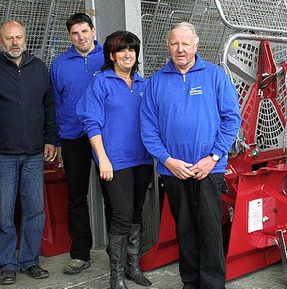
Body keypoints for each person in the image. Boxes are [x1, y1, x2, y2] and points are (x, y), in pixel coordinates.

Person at [140, 22, 241, 289]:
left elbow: (231, 120)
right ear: (168, 46)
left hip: (209, 169)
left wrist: (214, 157)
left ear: (196, 45)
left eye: (185, 43)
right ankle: (190, 282)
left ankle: (212, 284)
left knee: (209, 229)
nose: (180, 49)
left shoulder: (215, 76)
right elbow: (147, 128)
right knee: (184, 230)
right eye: (175, 43)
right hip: (174, 171)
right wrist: (167, 160)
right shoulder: (157, 81)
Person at [0, 20, 57, 285]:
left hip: (34, 153)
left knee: (35, 210)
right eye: (9, 38)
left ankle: (30, 261)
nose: (14, 42)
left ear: (25, 38)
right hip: (3, 154)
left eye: (18, 37)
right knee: (5, 212)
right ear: (0, 41)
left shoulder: (39, 68)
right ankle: (7, 264)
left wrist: (51, 139)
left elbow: (49, 106)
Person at [77, 31, 153, 289]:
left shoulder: (144, 84)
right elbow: (91, 122)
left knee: (135, 214)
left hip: (141, 160)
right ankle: (116, 275)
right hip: (114, 162)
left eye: (132, 49)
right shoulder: (101, 83)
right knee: (121, 215)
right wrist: (102, 159)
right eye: (122, 50)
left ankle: (133, 266)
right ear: (112, 55)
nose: (128, 54)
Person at [50, 12, 104, 275]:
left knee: (114, 196)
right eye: (75, 33)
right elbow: (56, 105)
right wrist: (58, 140)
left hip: (106, 139)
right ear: (69, 36)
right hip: (73, 138)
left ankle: (119, 254)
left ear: (93, 31)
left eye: (85, 31)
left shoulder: (109, 57)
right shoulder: (59, 64)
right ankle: (80, 254)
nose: (81, 37)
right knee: (76, 197)